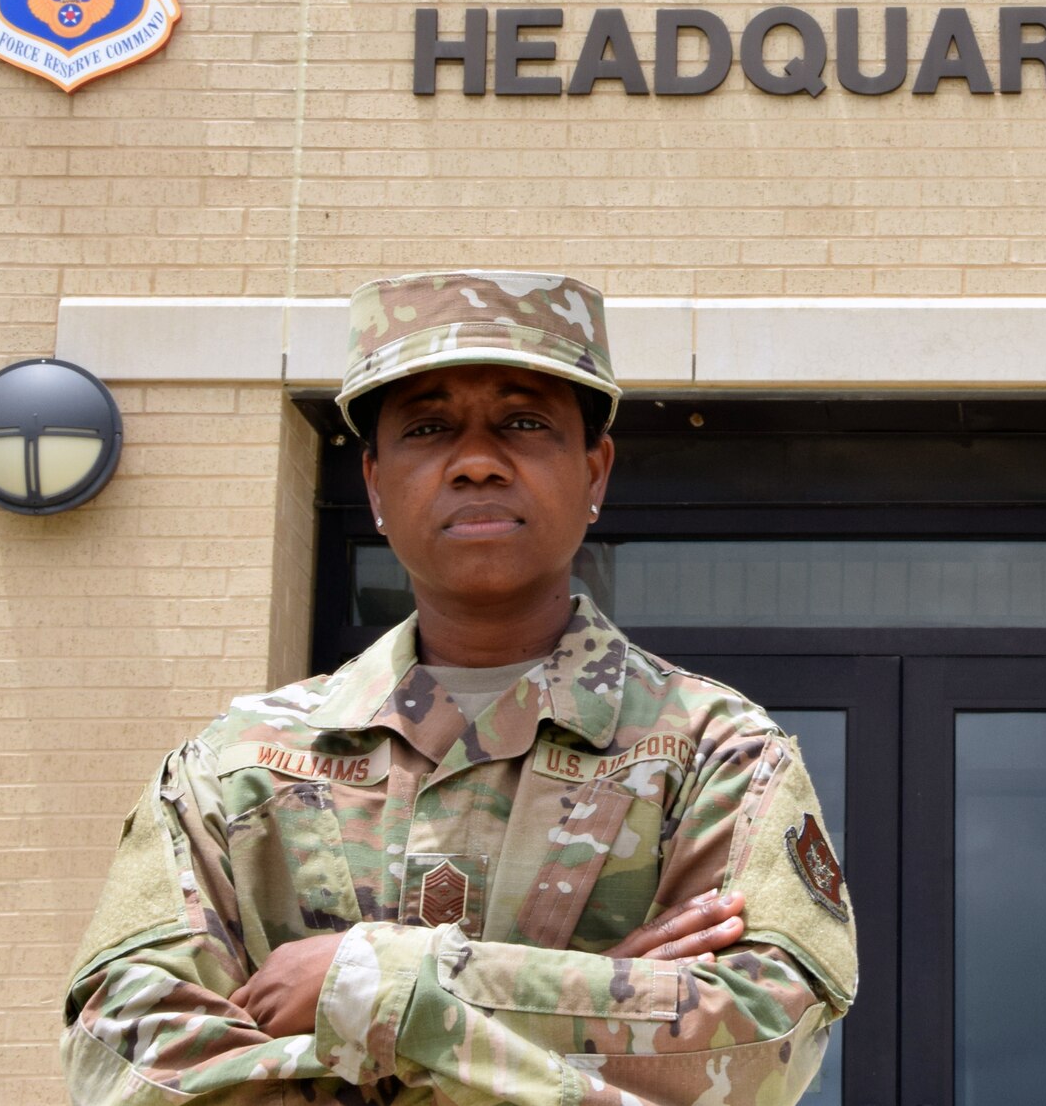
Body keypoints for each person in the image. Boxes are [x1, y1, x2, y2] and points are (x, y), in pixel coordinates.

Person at [61, 271, 856, 1105]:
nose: (476, 461)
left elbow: (763, 1041)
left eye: (524, 423)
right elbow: (125, 1060)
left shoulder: (714, 752)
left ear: (595, 471)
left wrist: (378, 986)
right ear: (373, 481)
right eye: (430, 428)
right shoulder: (235, 769)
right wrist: (597, 999)